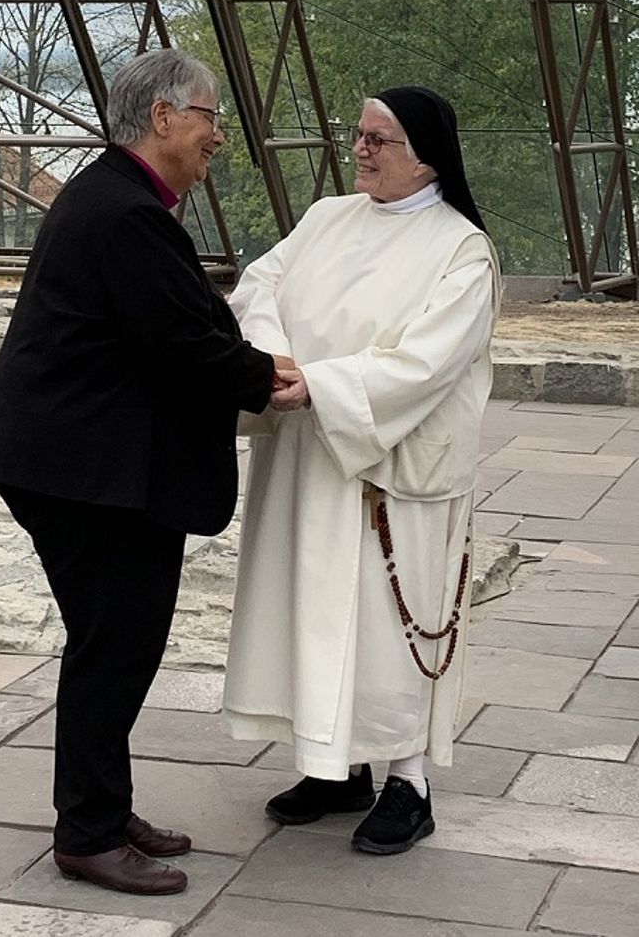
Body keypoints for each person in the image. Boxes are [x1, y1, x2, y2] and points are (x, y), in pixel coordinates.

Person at [0, 49, 304, 896]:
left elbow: (168, 325)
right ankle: (88, 833)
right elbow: (186, 339)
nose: (217, 135)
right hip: (77, 468)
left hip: (66, 457)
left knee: (113, 639)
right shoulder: (126, 213)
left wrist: (246, 367)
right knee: (117, 643)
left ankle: (103, 809)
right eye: (210, 116)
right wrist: (265, 378)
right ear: (162, 117)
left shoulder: (112, 195)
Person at [223, 86, 500, 856]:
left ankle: (410, 782)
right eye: (360, 135)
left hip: (389, 468)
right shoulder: (326, 217)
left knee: (390, 626)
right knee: (305, 610)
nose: (362, 150)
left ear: (428, 156)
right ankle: (334, 766)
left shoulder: (461, 250)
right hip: (308, 456)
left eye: (381, 140)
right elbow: (260, 285)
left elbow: (426, 363)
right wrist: (277, 359)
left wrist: (320, 384)